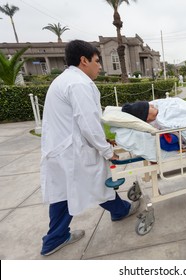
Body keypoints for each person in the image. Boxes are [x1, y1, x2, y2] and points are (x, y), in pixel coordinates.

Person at [40, 40, 140, 256]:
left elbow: (81, 120)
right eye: (97, 61)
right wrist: (106, 150)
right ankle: (120, 211)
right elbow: (88, 122)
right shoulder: (78, 84)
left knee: (64, 194)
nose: (100, 66)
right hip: (72, 152)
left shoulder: (65, 80)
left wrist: (103, 140)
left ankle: (54, 238)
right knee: (96, 184)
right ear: (83, 61)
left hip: (61, 149)